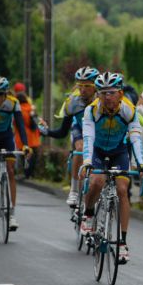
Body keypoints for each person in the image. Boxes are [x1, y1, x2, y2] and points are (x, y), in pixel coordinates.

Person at [80, 72, 143, 264]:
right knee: (97, 181)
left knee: (122, 190)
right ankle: (89, 214)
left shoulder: (129, 110)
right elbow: (88, 138)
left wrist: (141, 164)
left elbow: (135, 138)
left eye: (111, 92)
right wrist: (87, 161)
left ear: (120, 93)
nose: (107, 97)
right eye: (102, 93)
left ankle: (122, 243)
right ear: (98, 95)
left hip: (119, 152)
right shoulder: (91, 111)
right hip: (98, 151)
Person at [39, 66, 99, 206]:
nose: (82, 89)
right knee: (80, 147)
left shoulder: (103, 101)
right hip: (80, 129)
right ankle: (73, 190)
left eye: (87, 85)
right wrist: (47, 132)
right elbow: (62, 132)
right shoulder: (72, 102)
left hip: (98, 132)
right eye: (80, 85)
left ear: (95, 87)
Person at [0, 76, 31, 230]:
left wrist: (26, 145)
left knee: (10, 171)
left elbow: (20, 126)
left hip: (6, 136)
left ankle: (12, 214)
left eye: (0, 94)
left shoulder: (13, 103)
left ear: (5, 94)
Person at [13, 82, 41, 179]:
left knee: (24, 157)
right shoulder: (31, 107)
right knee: (33, 157)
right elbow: (35, 121)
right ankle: (31, 174)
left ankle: (26, 174)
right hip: (34, 137)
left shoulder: (16, 108)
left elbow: (14, 123)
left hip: (22, 138)